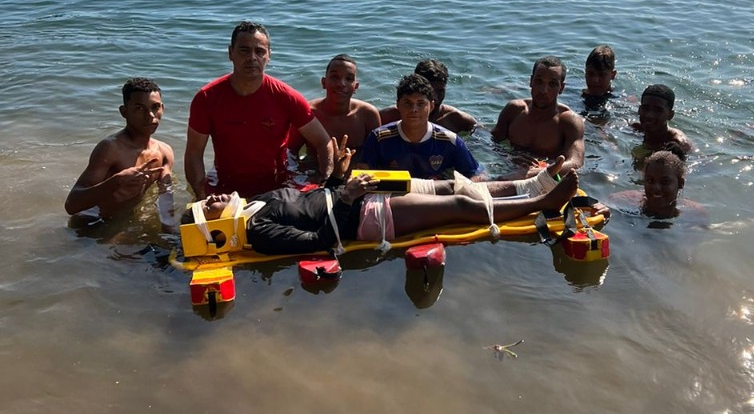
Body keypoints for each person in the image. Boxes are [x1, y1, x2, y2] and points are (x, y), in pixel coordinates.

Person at [193, 168, 583, 256]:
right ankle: (541, 204)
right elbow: (318, 242)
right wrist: (346, 199)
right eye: (205, 208)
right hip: (364, 218)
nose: (209, 199)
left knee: (451, 184)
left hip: (357, 196)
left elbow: (310, 199)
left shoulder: (253, 202)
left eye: (205, 199)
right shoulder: (257, 229)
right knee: (459, 206)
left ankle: (528, 186)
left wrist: (336, 178)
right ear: (213, 227)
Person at [185, 21, 334, 200]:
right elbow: (194, 152)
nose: (252, 57)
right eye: (244, 50)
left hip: (278, 182)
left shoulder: (286, 96)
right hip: (226, 182)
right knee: (195, 221)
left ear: (269, 56)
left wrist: (326, 180)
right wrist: (201, 196)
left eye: (260, 51)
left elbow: (323, 141)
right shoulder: (207, 98)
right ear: (230, 53)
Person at [66, 78, 175, 224]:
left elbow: (166, 199)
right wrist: (116, 182)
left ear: (162, 108)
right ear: (124, 112)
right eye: (139, 108)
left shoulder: (164, 152)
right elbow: (72, 205)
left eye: (155, 107)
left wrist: (169, 233)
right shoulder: (110, 149)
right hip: (92, 224)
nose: (150, 115)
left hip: (127, 221)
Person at [359, 74, 481, 180]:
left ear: (431, 106)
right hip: (393, 199)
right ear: (397, 105)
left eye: (420, 104)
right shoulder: (379, 138)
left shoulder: (450, 141)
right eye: (408, 103)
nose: (414, 110)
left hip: (435, 197)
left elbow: (475, 174)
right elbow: (362, 174)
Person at [492, 57, 585, 175]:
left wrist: (542, 171)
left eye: (552, 84)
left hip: (546, 177)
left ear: (561, 88)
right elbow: (493, 143)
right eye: (539, 81)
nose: (544, 90)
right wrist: (509, 158)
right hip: (512, 170)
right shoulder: (514, 111)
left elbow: (576, 163)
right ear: (531, 81)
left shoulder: (568, 122)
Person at [290, 54, 380, 171]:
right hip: (316, 173)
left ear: (356, 87)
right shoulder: (308, 113)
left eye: (349, 79)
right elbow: (290, 153)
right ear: (324, 82)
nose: (341, 83)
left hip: (353, 175)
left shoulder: (367, 114)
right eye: (335, 77)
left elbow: (377, 156)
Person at [379, 59, 477, 135]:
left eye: (441, 91)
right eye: (431, 91)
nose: (436, 97)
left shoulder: (459, 120)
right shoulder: (390, 116)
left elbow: (483, 145)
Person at [631, 84, 693, 163]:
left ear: (670, 115)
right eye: (645, 108)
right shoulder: (636, 128)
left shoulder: (678, 142)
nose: (649, 115)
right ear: (639, 110)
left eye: (658, 110)